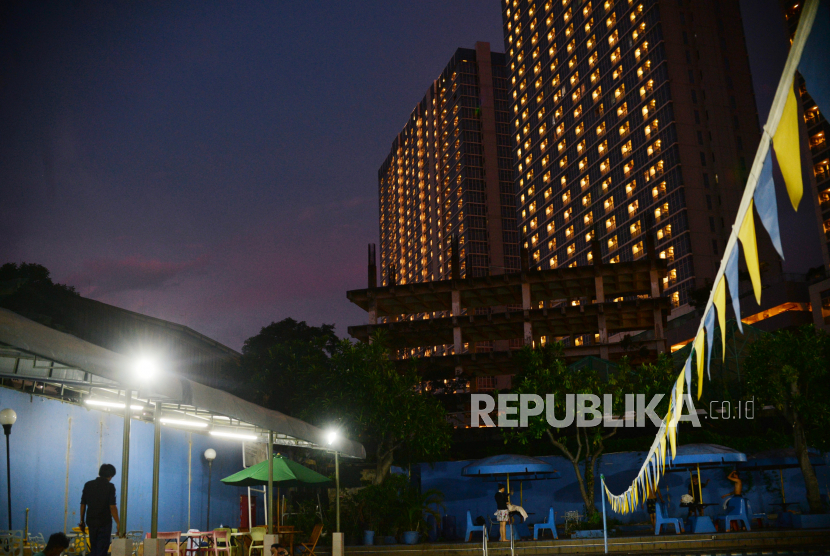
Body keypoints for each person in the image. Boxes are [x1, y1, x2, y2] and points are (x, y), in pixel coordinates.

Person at [80, 464, 121, 556]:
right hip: (104, 522)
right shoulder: (110, 486)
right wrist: (118, 523)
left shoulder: (88, 484)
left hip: (91, 522)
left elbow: (83, 504)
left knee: (93, 549)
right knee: (102, 550)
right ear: (110, 475)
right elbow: (112, 507)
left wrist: (82, 521)